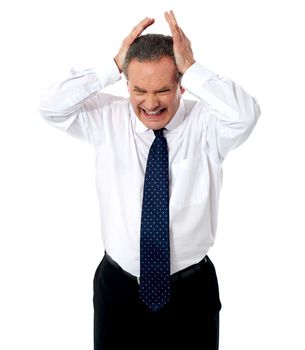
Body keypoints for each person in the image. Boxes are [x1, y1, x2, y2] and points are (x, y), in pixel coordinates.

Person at [39, 10, 260, 350]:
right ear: (126, 84)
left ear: (182, 85)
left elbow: (246, 114)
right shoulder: (106, 118)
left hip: (191, 293)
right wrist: (112, 65)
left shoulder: (207, 125)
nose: (151, 102)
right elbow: (50, 106)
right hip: (118, 290)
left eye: (163, 90)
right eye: (139, 89)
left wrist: (194, 67)